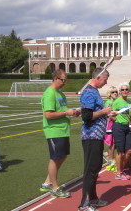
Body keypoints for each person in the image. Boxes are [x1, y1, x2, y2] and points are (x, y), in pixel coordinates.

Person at [79, 67, 117, 211]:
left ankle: (93, 199)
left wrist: (107, 115)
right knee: (91, 170)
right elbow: (87, 117)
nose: (105, 83)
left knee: (95, 169)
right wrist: (104, 111)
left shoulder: (94, 92)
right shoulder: (88, 92)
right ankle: (84, 204)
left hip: (97, 136)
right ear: (98, 77)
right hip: (91, 136)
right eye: (105, 80)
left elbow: (96, 114)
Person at [40, 69, 80, 198]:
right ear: (56, 78)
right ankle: (55, 188)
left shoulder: (60, 94)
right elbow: (48, 114)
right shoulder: (50, 94)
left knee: (62, 156)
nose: (65, 82)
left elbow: (63, 110)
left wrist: (72, 112)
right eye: (63, 80)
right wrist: (65, 113)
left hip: (63, 130)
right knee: (56, 158)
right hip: (54, 131)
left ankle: (47, 183)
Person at [112, 82, 131, 180]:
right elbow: (111, 114)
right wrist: (117, 121)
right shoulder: (117, 102)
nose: (125, 91)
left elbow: (130, 115)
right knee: (120, 151)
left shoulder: (129, 102)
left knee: (129, 150)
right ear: (120, 92)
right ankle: (119, 173)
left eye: (126, 89)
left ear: (129, 91)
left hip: (127, 127)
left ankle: (120, 170)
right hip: (118, 127)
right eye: (122, 89)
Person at [104, 86, 118, 172]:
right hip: (110, 124)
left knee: (115, 142)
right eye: (113, 92)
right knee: (112, 142)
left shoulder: (115, 101)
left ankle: (107, 154)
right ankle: (111, 160)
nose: (115, 93)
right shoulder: (109, 102)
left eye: (116, 91)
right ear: (109, 94)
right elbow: (108, 114)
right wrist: (116, 119)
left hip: (114, 123)